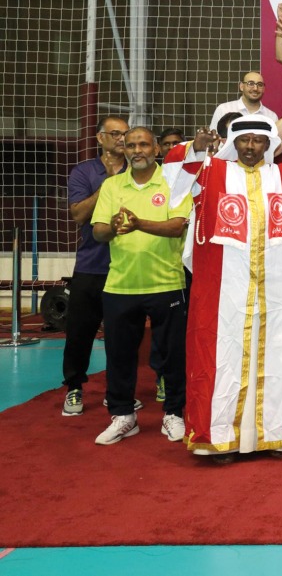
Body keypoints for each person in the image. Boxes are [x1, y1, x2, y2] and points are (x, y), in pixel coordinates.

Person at [169, 117, 282, 461]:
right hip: (224, 290)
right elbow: (174, 177)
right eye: (244, 140)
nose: (250, 147)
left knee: (277, 354)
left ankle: (275, 435)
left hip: (276, 290)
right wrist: (195, 148)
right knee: (221, 357)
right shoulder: (211, 172)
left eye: (258, 141)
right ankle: (217, 437)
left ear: (268, 144)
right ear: (234, 141)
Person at [90, 127, 191, 445]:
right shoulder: (112, 185)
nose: (137, 150)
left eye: (143, 144)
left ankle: (174, 414)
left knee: (173, 356)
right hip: (120, 285)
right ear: (125, 150)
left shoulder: (175, 182)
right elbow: (98, 232)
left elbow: (177, 227)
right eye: (131, 145)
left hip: (167, 283)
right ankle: (123, 416)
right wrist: (114, 228)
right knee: (119, 356)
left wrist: (137, 223)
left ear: (157, 148)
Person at [62, 115, 129, 417]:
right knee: (79, 333)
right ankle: (74, 387)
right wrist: (109, 188)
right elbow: (78, 214)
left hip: (127, 266)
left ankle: (117, 392)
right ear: (100, 138)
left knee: (123, 336)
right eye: (115, 134)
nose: (121, 139)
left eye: (125, 134)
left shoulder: (139, 173)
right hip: (90, 266)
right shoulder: (84, 172)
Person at [208, 71, 279, 132]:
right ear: (241, 86)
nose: (255, 88)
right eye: (251, 84)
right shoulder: (224, 109)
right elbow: (214, 139)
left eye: (260, 85)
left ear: (263, 89)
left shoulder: (271, 117)